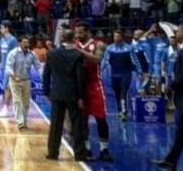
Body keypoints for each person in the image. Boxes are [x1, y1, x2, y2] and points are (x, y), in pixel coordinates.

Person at [152, 22, 183, 171]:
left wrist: (171, 86)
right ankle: (170, 161)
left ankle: (170, 160)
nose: (175, 34)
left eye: (178, 31)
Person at [44, 31, 89, 162]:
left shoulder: (52, 53)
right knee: (77, 125)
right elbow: (80, 77)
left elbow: (46, 74)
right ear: (73, 39)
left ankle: (52, 153)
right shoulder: (78, 54)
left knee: (56, 124)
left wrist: (46, 91)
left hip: (57, 93)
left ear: (61, 38)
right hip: (73, 93)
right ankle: (80, 155)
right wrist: (81, 96)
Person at [75, 23, 113, 162]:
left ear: (88, 32)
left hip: (95, 84)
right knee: (82, 119)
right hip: (80, 86)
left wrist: (80, 52)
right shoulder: (74, 44)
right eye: (76, 33)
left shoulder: (99, 44)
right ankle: (87, 148)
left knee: (101, 118)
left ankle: (104, 149)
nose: (78, 35)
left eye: (80, 32)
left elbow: (97, 59)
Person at [104, 30, 140, 120]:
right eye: (114, 36)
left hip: (126, 73)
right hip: (114, 74)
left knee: (124, 92)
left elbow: (135, 61)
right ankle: (120, 110)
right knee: (117, 93)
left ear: (122, 37)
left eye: (117, 36)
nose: (116, 38)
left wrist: (139, 72)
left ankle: (124, 112)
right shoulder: (109, 48)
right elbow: (105, 61)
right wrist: (101, 71)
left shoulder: (129, 48)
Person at [5, 37, 39, 130]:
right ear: (20, 43)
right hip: (14, 80)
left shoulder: (32, 54)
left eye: (27, 43)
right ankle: (20, 123)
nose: (26, 44)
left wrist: (43, 76)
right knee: (17, 101)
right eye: (24, 42)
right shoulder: (13, 53)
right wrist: (14, 76)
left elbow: (38, 66)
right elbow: (8, 67)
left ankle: (24, 121)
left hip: (26, 80)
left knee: (26, 103)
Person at [0, 24, 19, 118]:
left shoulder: (13, 40)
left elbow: (16, 54)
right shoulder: (1, 40)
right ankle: (15, 109)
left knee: (7, 88)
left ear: (7, 28)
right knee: (8, 88)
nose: (0, 29)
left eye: (2, 27)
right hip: (2, 67)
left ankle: (5, 109)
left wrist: (13, 68)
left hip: (9, 67)